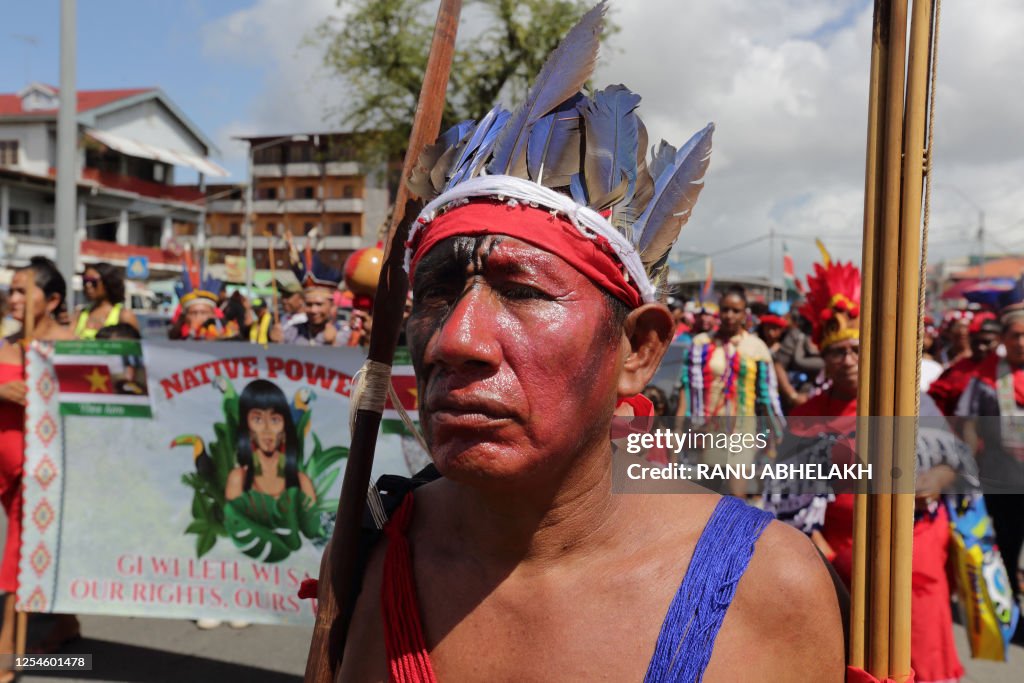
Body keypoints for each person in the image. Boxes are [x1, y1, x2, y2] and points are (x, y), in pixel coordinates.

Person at [337, 9, 843, 679]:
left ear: (638, 350)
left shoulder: (767, 587)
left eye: (522, 291)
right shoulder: (372, 552)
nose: (456, 340)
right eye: (436, 292)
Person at [764, 258, 971, 683]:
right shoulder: (807, 415)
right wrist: (824, 555)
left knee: (923, 659)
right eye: (837, 351)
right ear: (823, 356)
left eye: (857, 349)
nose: (848, 359)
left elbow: (957, 460)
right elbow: (785, 502)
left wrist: (931, 483)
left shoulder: (906, 402)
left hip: (915, 555)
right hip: (841, 558)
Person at [0, 258, 78, 675]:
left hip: (41, 471)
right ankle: (66, 625)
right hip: (4, 470)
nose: (12, 298)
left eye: (21, 291)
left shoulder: (72, 346)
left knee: (18, 556)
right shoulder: (5, 341)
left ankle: (7, 655)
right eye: (10, 290)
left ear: (51, 300)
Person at [676, 286, 784, 496]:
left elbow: (768, 395)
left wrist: (776, 431)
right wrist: (682, 430)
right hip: (708, 430)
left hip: (743, 431)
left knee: (736, 496)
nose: (729, 315)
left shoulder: (757, 347)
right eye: (725, 309)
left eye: (736, 311)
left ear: (745, 314)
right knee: (708, 497)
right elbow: (688, 391)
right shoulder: (701, 343)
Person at [955, 295, 1024, 613]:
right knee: (1007, 546)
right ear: (1003, 339)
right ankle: (1010, 606)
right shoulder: (985, 380)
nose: (1022, 342)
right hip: (1002, 482)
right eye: (1016, 336)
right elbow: (967, 424)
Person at [225, 380, 316, 503]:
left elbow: (312, 520)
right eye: (257, 419)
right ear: (247, 426)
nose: (267, 429)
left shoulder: (302, 483)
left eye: (274, 420)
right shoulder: (238, 480)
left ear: (285, 426)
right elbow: (234, 520)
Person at [279, 231, 345, 346]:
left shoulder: (344, 334)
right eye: (309, 304)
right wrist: (276, 343)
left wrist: (335, 343)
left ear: (332, 305)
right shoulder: (291, 332)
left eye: (319, 304)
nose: (314, 310)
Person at [928, 312, 1000, 417]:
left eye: (986, 342)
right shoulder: (956, 371)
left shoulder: (1010, 369)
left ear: (999, 340)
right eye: (976, 342)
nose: (981, 347)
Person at [74, 262, 139, 339]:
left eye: (93, 282)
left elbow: (133, 347)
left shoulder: (124, 315)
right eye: (85, 281)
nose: (88, 285)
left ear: (108, 282)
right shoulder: (80, 314)